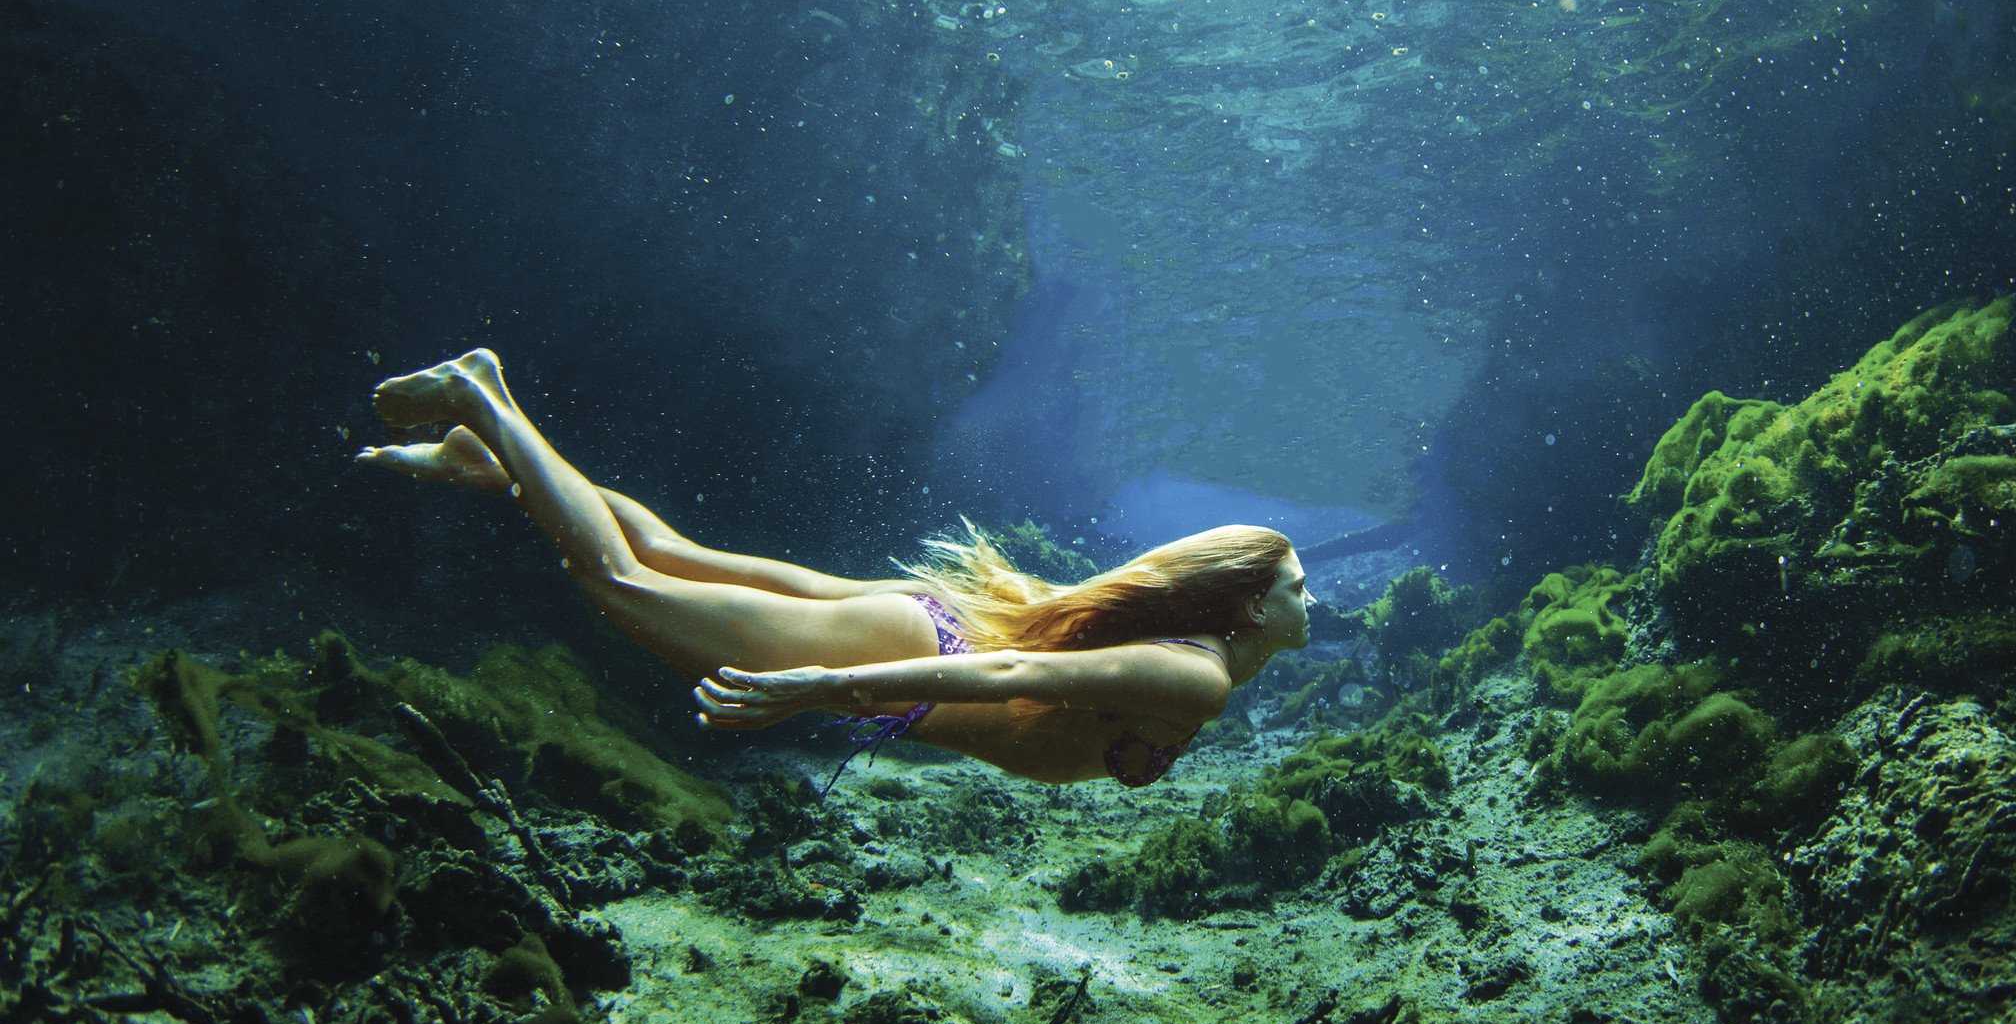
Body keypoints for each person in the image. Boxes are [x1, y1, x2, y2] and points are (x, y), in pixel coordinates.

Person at [356, 350, 1313, 792]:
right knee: (622, 583)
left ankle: (493, 464)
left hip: (924, 624)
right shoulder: (1197, 678)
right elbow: (1014, 671)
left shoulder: (1195, 653)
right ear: (1245, 604)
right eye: (1295, 587)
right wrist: (821, 686)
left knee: (673, 556)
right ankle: (482, 397)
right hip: (910, 655)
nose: (1312, 600)